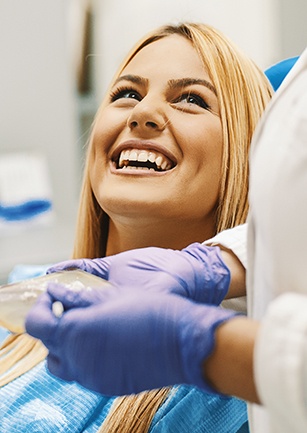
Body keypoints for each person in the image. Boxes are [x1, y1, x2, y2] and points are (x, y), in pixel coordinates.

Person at [0, 22, 273, 432]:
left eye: (192, 100)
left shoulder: (243, 386)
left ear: (248, 156)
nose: (143, 113)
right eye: (127, 94)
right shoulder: (17, 302)